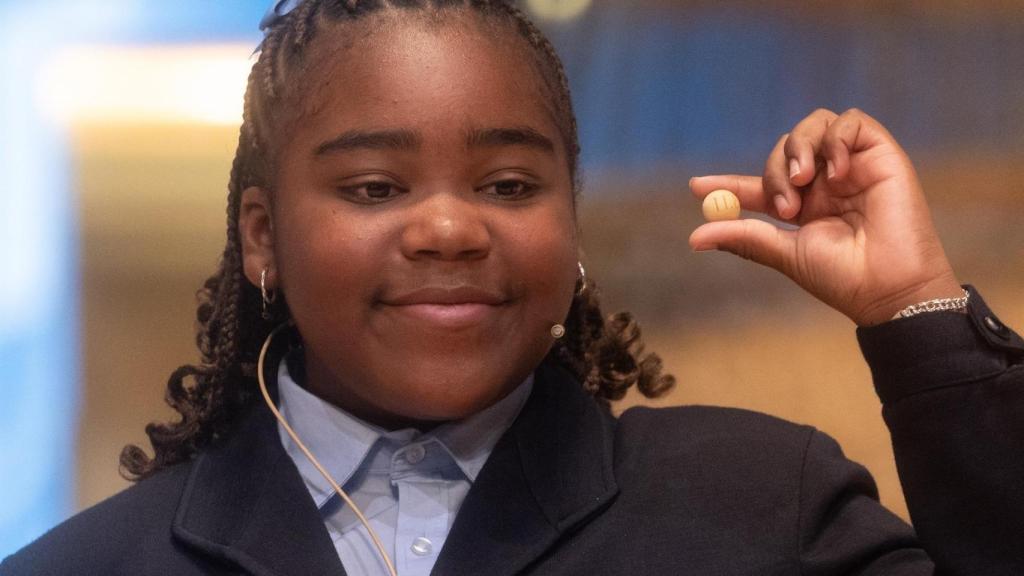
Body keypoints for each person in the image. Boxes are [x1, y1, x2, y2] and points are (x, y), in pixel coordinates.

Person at [3, 1, 1023, 574]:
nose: (449, 228)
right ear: (262, 236)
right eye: (373, 187)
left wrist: (914, 314)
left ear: (568, 224)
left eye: (508, 184)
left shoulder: (764, 509)